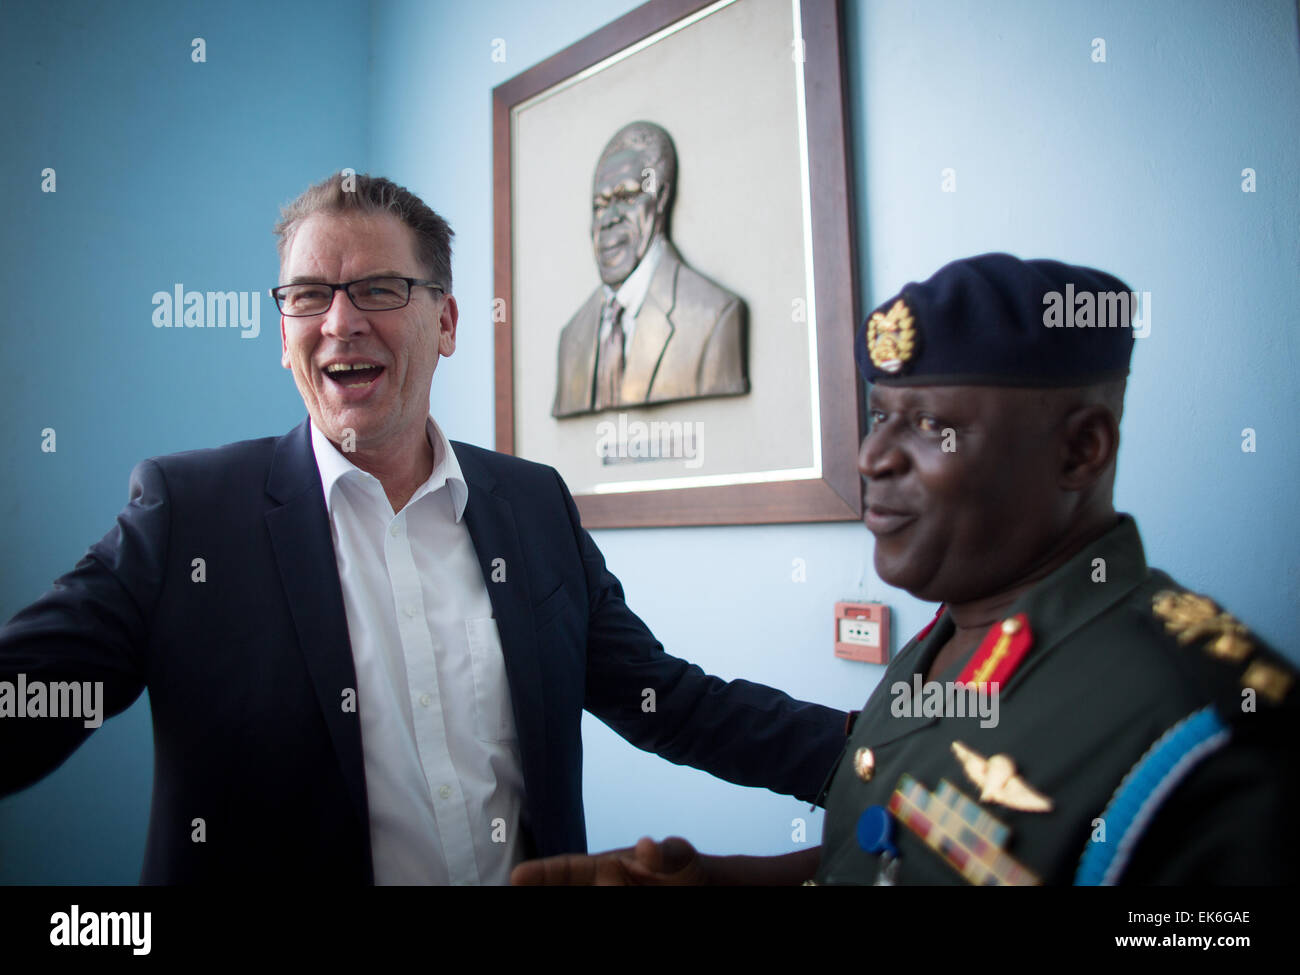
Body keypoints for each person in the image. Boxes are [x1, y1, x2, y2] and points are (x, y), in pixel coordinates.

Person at [0, 172, 848, 885]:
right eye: (307, 295)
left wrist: (881, 754)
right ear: (284, 330)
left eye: (377, 289)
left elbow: (668, 699)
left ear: (445, 323)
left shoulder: (532, 504)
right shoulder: (187, 515)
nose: (340, 320)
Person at [512, 253, 1299, 886]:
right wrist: (728, 879)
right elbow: (899, 848)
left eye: (931, 426)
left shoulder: (1208, 732)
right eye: (881, 415)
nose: (872, 457)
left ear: (1079, 450)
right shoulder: (955, 633)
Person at [551, 120, 749, 417]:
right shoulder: (572, 337)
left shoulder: (715, 317)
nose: (608, 219)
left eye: (627, 198)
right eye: (600, 205)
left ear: (661, 199)